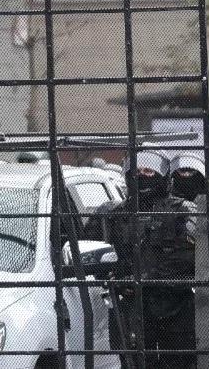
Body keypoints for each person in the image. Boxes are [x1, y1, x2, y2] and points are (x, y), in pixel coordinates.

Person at [84, 151, 198, 369]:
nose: (142, 176)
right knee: (132, 363)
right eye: (136, 171)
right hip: (128, 306)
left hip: (173, 304)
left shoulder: (183, 210)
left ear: (163, 175)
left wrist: (144, 278)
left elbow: (189, 257)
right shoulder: (111, 213)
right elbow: (87, 250)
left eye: (148, 171)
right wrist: (110, 273)